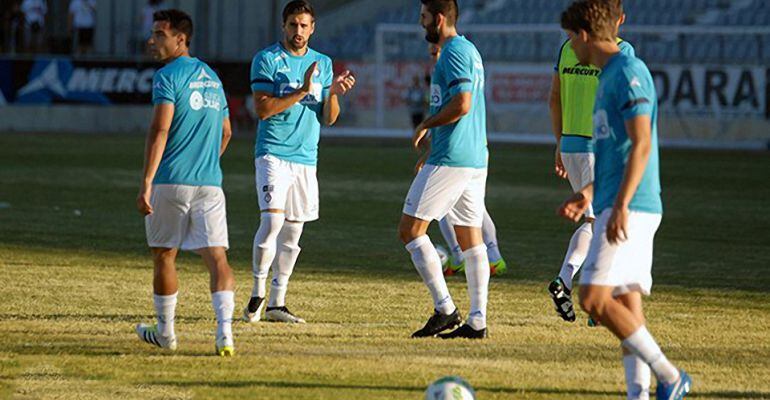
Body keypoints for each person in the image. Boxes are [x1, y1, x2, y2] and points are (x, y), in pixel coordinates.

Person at [558, 1, 692, 398]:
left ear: (584, 35)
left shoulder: (628, 72)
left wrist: (618, 206)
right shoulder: (607, 76)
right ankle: (640, 394)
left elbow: (642, 143)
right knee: (625, 303)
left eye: (570, 39)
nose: (570, 49)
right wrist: (588, 194)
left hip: (631, 207)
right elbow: (616, 155)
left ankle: (670, 375)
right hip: (618, 200)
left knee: (592, 297)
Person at [243, 0, 356, 324]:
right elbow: (263, 110)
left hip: (306, 158)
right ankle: (257, 293)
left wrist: (331, 92)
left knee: (292, 235)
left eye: (304, 25)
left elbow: (329, 119)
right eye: (293, 24)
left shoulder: (323, 62)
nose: (298, 31)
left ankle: (277, 304)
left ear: (313, 28)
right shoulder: (267, 59)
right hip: (273, 153)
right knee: (272, 223)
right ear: (284, 26)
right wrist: (304, 90)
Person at [134, 9, 236, 357]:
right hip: (210, 183)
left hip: (170, 182)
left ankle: (166, 334)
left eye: (160, 34)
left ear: (181, 38)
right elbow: (226, 132)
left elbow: (160, 129)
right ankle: (225, 335)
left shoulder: (167, 76)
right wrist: (206, 161)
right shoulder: (212, 77)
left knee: (164, 255)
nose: (152, 40)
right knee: (217, 258)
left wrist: (146, 181)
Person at [400, 0, 489, 339]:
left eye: (424, 17)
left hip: (453, 157)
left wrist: (427, 123)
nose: (421, 23)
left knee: (410, 230)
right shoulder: (470, 50)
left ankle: (446, 309)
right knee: (470, 239)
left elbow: (463, 104)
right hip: (472, 156)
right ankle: (477, 321)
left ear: (439, 18)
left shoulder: (453, 51)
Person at [547, 0, 634, 323]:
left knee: (593, 220)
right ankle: (580, 287)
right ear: (619, 19)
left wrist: (559, 142)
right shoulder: (622, 53)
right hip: (599, 146)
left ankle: (572, 282)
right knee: (602, 222)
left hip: (570, 142)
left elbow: (554, 98)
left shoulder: (569, 47)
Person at [426, 43, 508, 278]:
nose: (435, 55)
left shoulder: (455, 68)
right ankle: (490, 256)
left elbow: (460, 112)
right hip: (461, 149)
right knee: (467, 207)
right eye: (432, 52)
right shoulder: (442, 72)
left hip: (463, 151)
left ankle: (464, 256)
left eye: (438, 51)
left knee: (446, 206)